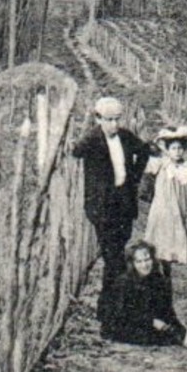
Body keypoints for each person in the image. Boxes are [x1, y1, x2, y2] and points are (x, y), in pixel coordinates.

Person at [72, 96, 151, 282]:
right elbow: (75, 151)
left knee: (121, 243)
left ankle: (115, 288)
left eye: (117, 119)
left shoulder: (125, 136)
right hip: (102, 205)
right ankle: (115, 290)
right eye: (109, 120)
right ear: (98, 118)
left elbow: (144, 150)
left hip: (123, 199)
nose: (114, 124)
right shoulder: (93, 138)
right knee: (111, 252)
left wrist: (135, 176)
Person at [143, 126, 187, 295]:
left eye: (180, 148)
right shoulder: (161, 166)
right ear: (167, 150)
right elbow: (145, 158)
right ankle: (165, 281)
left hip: (183, 214)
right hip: (163, 213)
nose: (177, 152)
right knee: (162, 247)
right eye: (173, 148)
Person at [99, 241, 182, 346]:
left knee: (175, 334)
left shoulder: (159, 280)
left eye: (147, 260)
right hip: (127, 324)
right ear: (132, 263)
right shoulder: (124, 282)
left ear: (153, 259)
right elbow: (123, 314)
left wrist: (182, 331)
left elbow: (168, 311)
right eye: (139, 261)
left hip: (151, 323)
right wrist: (151, 322)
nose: (145, 265)